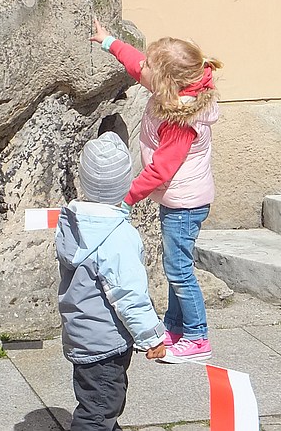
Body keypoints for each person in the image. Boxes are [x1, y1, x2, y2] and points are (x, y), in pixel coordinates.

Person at [90, 19, 222, 364]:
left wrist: (126, 199)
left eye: (149, 66)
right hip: (177, 199)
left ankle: (197, 337)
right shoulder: (171, 92)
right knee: (174, 265)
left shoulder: (181, 119)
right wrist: (109, 42)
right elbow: (136, 64)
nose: (141, 68)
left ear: (164, 82)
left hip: (185, 203)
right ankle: (175, 328)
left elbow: (162, 169)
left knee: (179, 269)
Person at [56, 131, 168, 431]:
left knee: (99, 400)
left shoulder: (73, 222)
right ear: (125, 184)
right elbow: (129, 294)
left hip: (82, 335)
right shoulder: (117, 236)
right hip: (106, 340)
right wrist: (151, 336)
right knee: (101, 408)